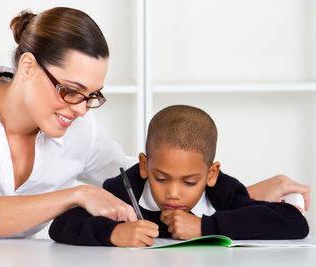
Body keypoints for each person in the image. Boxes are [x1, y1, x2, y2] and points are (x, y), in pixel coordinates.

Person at [0, 7, 310, 240]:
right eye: (70, 90)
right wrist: (76, 195)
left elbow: (145, 183)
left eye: (92, 95)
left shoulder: (79, 129)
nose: (79, 108)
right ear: (28, 66)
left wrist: (247, 191)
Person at [49, 105, 309, 247]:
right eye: (161, 179)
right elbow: (61, 225)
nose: (173, 192)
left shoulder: (223, 191)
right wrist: (115, 232)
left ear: (211, 174)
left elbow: (295, 224)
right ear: (144, 166)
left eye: (189, 182)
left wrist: (204, 227)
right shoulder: (127, 187)